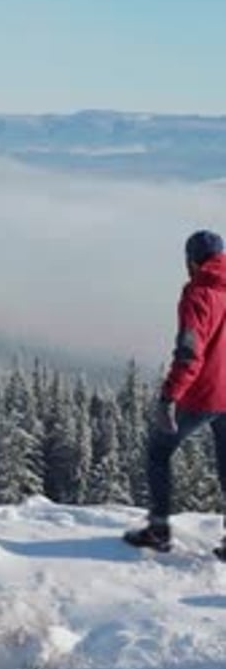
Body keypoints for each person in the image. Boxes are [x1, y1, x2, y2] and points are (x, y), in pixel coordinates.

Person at [124, 229, 226, 560]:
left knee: (158, 451)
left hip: (201, 395)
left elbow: (189, 354)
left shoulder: (197, 295)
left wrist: (169, 398)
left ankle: (158, 531)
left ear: (192, 261)